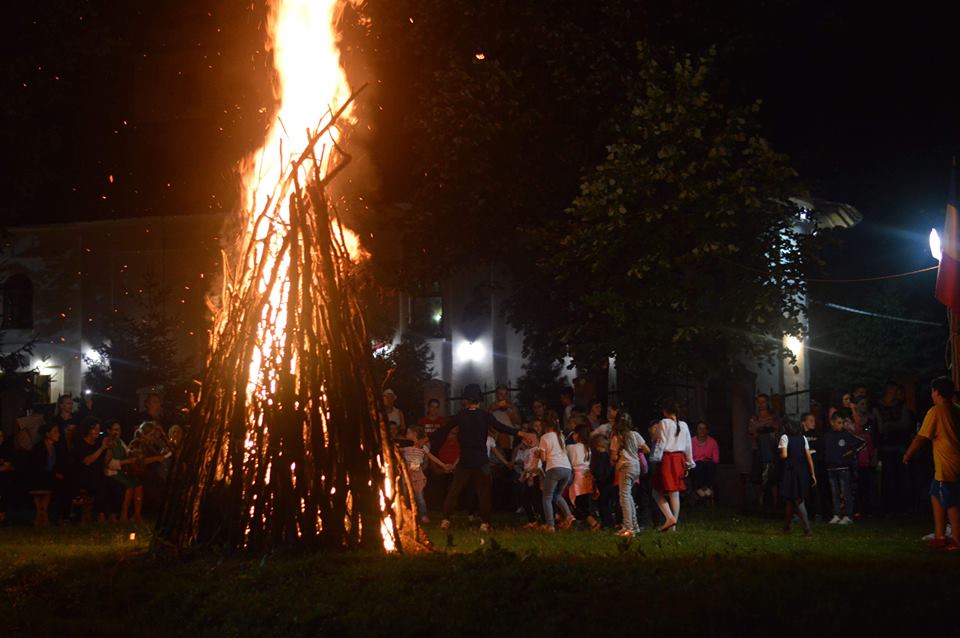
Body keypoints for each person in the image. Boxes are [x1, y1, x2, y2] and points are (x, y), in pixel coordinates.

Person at [430, 384, 526, 532]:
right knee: (484, 492)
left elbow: (443, 430)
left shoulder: (461, 415)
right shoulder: (485, 415)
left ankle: (445, 520)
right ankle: (484, 523)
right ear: (479, 400)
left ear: (466, 400)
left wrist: (425, 439)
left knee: (454, 490)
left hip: (465, 459)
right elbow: (501, 427)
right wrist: (521, 433)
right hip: (481, 460)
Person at [903, 376, 960, 549]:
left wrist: (908, 454)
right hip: (953, 463)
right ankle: (939, 535)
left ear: (936, 392)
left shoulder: (936, 411)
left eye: (932, 391)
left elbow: (921, 437)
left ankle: (957, 539)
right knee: (935, 494)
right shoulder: (956, 409)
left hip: (947, 465)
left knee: (951, 502)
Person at [650, 401, 695, 532]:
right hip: (679, 458)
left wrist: (655, 458)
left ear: (665, 411)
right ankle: (673, 525)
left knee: (656, 491)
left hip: (667, 458)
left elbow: (661, 442)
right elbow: (688, 445)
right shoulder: (684, 425)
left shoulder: (664, 422)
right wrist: (689, 463)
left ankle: (670, 518)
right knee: (674, 492)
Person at [399, 425, 452, 524]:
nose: (406, 435)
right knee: (405, 495)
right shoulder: (406, 447)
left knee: (420, 496)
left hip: (417, 476)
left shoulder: (422, 448)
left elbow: (431, 457)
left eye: (408, 433)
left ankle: (423, 515)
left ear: (414, 434)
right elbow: (396, 451)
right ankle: (408, 514)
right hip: (406, 475)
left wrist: (443, 465)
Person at [876, 381, 914, 514]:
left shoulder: (901, 406)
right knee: (888, 477)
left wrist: (889, 425)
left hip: (899, 446)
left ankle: (901, 506)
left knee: (900, 476)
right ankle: (888, 506)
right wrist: (894, 425)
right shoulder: (878, 407)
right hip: (885, 446)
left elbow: (905, 424)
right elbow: (880, 427)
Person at [610, 412, 649, 537]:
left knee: (624, 496)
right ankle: (634, 525)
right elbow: (647, 449)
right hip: (636, 466)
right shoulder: (635, 434)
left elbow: (613, 457)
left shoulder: (617, 438)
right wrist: (634, 450)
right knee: (629, 495)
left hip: (625, 467)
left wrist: (621, 452)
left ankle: (628, 527)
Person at [822, 411, 865, 525]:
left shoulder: (845, 435)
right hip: (831, 468)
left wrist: (852, 451)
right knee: (835, 493)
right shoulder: (827, 436)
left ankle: (848, 515)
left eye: (842, 423)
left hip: (843, 468)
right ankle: (837, 515)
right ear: (832, 422)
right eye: (839, 423)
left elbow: (861, 442)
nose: (841, 425)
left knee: (845, 493)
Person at [779, 419, 816, 536]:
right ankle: (786, 527)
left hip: (791, 471)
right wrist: (812, 473)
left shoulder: (785, 437)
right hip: (802, 470)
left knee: (798, 500)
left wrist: (779, 452)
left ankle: (807, 529)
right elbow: (809, 457)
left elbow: (784, 455)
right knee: (790, 500)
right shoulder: (803, 438)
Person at [537, 418, 575, 532]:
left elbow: (543, 458)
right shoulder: (560, 436)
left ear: (545, 426)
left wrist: (538, 454)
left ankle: (550, 525)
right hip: (567, 468)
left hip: (554, 467)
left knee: (547, 497)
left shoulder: (544, 437)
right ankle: (569, 516)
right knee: (557, 495)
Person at [103, 419, 143, 523]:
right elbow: (109, 464)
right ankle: (123, 514)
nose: (118, 432)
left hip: (121, 472)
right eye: (115, 430)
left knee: (138, 484)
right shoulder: (107, 442)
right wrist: (126, 461)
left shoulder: (120, 442)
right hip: (112, 473)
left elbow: (128, 452)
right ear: (109, 431)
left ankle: (137, 514)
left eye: (119, 430)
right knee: (128, 485)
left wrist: (135, 454)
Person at [73, 417, 109, 523]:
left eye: (99, 429)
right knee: (100, 484)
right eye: (95, 429)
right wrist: (101, 448)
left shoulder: (98, 443)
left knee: (108, 482)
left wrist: (109, 447)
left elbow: (106, 461)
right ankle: (99, 514)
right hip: (82, 476)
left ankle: (107, 514)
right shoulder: (80, 444)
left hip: (97, 475)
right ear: (88, 429)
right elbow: (87, 461)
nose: (97, 431)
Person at [747, 393, 780, 508]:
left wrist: (768, 433)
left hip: (771, 450)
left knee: (773, 476)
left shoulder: (773, 417)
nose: (761, 404)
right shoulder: (754, 419)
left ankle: (775, 502)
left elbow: (777, 432)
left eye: (763, 402)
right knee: (757, 476)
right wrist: (761, 433)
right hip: (758, 449)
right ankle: (760, 502)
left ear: (767, 403)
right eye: (759, 402)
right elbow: (752, 433)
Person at [30, 424, 66, 527]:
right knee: (58, 485)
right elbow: (37, 468)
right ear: (47, 434)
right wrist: (54, 474)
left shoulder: (56, 448)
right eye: (55, 432)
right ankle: (48, 516)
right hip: (39, 478)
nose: (58, 434)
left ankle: (59, 515)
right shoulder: (38, 448)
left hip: (51, 477)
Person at [800, 412, 827, 521]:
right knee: (803, 490)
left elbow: (820, 449)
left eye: (814, 420)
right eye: (810, 420)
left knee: (816, 490)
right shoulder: (800, 435)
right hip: (803, 467)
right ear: (803, 422)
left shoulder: (817, 435)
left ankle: (818, 513)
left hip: (815, 467)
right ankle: (802, 513)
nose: (813, 422)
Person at [566, 421, 594, 523]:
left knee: (578, 500)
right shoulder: (588, 448)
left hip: (577, 476)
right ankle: (583, 520)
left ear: (577, 434)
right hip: (587, 475)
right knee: (584, 499)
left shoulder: (571, 448)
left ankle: (591, 521)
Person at [589, 436, 616, 528]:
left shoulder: (599, 456)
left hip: (603, 483)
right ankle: (610, 522)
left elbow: (599, 470)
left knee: (602, 504)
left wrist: (595, 476)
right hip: (609, 482)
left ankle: (605, 523)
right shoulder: (608, 455)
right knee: (607, 503)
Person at [691, 421, 719, 500]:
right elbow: (689, 457)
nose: (702, 431)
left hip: (708, 464)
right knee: (699, 466)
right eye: (700, 428)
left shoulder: (713, 442)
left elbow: (716, 459)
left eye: (704, 428)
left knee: (708, 466)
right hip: (696, 464)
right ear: (697, 430)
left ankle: (704, 490)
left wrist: (707, 460)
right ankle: (702, 490)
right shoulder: (691, 441)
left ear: (707, 430)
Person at [0, 430, 15, 524]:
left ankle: (2, 516)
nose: (1, 438)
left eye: (2, 436)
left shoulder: (5, 450)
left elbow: (8, 466)